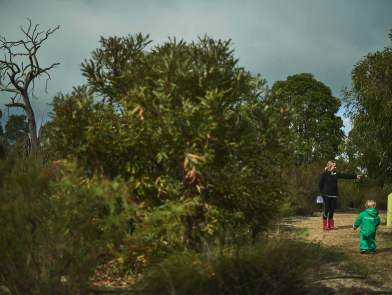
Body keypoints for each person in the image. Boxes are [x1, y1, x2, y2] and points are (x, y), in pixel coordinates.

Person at [319, 161, 360, 230]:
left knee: (332, 210)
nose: (335, 167)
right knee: (326, 210)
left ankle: (331, 225)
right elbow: (320, 184)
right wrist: (322, 193)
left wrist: (355, 176)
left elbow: (345, 176)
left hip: (334, 195)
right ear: (330, 167)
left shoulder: (336, 174)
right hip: (326, 195)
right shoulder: (324, 174)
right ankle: (325, 225)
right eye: (334, 166)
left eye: (335, 166)